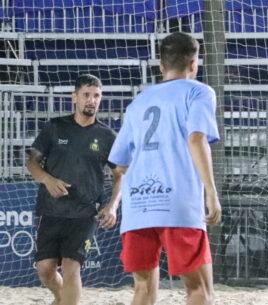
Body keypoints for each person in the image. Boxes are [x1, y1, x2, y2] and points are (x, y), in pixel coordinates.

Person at [107, 32, 222, 305]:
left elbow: (120, 164)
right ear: (194, 64)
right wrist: (211, 192)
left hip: (139, 205)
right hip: (178, 202)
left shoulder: (137, 103)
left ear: (161, 66)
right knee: (199, 290)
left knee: (143, 289)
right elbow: (196, 138)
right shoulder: (199, 91)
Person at [26, 74, 120, 305]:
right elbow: (31, 162)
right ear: (74, 98)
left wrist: (113, 206)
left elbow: (120, 174)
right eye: (86, 95)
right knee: (45, 269)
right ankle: (62, 298)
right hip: (51, 210)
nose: (92, 100)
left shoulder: (107, 135)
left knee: (71, 266)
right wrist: (47, 180)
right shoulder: (55, 127)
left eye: (96, 96)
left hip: (85, 212)